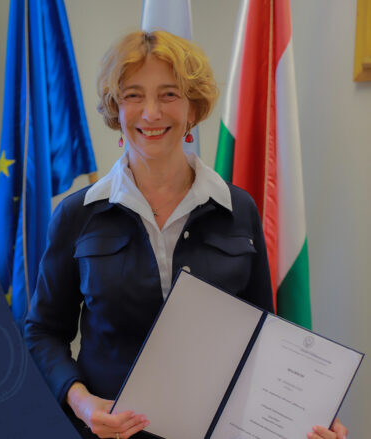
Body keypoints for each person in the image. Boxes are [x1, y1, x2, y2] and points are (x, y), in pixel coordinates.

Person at [23, 30, 348, 439]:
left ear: (193, 108)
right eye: (134, 95)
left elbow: (265, 336)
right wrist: (82, 403)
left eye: (169, 95)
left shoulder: (238, 209)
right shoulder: (78, 215)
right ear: (116, 109)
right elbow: (43, 332)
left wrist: (307, 414)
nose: (151, 113)